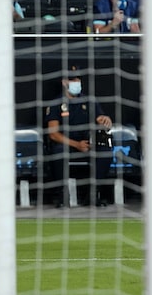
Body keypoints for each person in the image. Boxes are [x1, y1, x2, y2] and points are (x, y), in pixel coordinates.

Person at [44, 65, 114, 208]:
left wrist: (105, 120)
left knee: (105, 148)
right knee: (58, 152)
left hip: (87, 141)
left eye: (78, 80)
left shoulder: (89, 100)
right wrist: (76, 144)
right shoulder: (56, 103)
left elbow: (100, 118)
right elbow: (53, 133)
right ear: (65, 82)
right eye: (72, 80)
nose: (76, 83)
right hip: (66, 143)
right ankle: (62, 196)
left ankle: (93, 195)